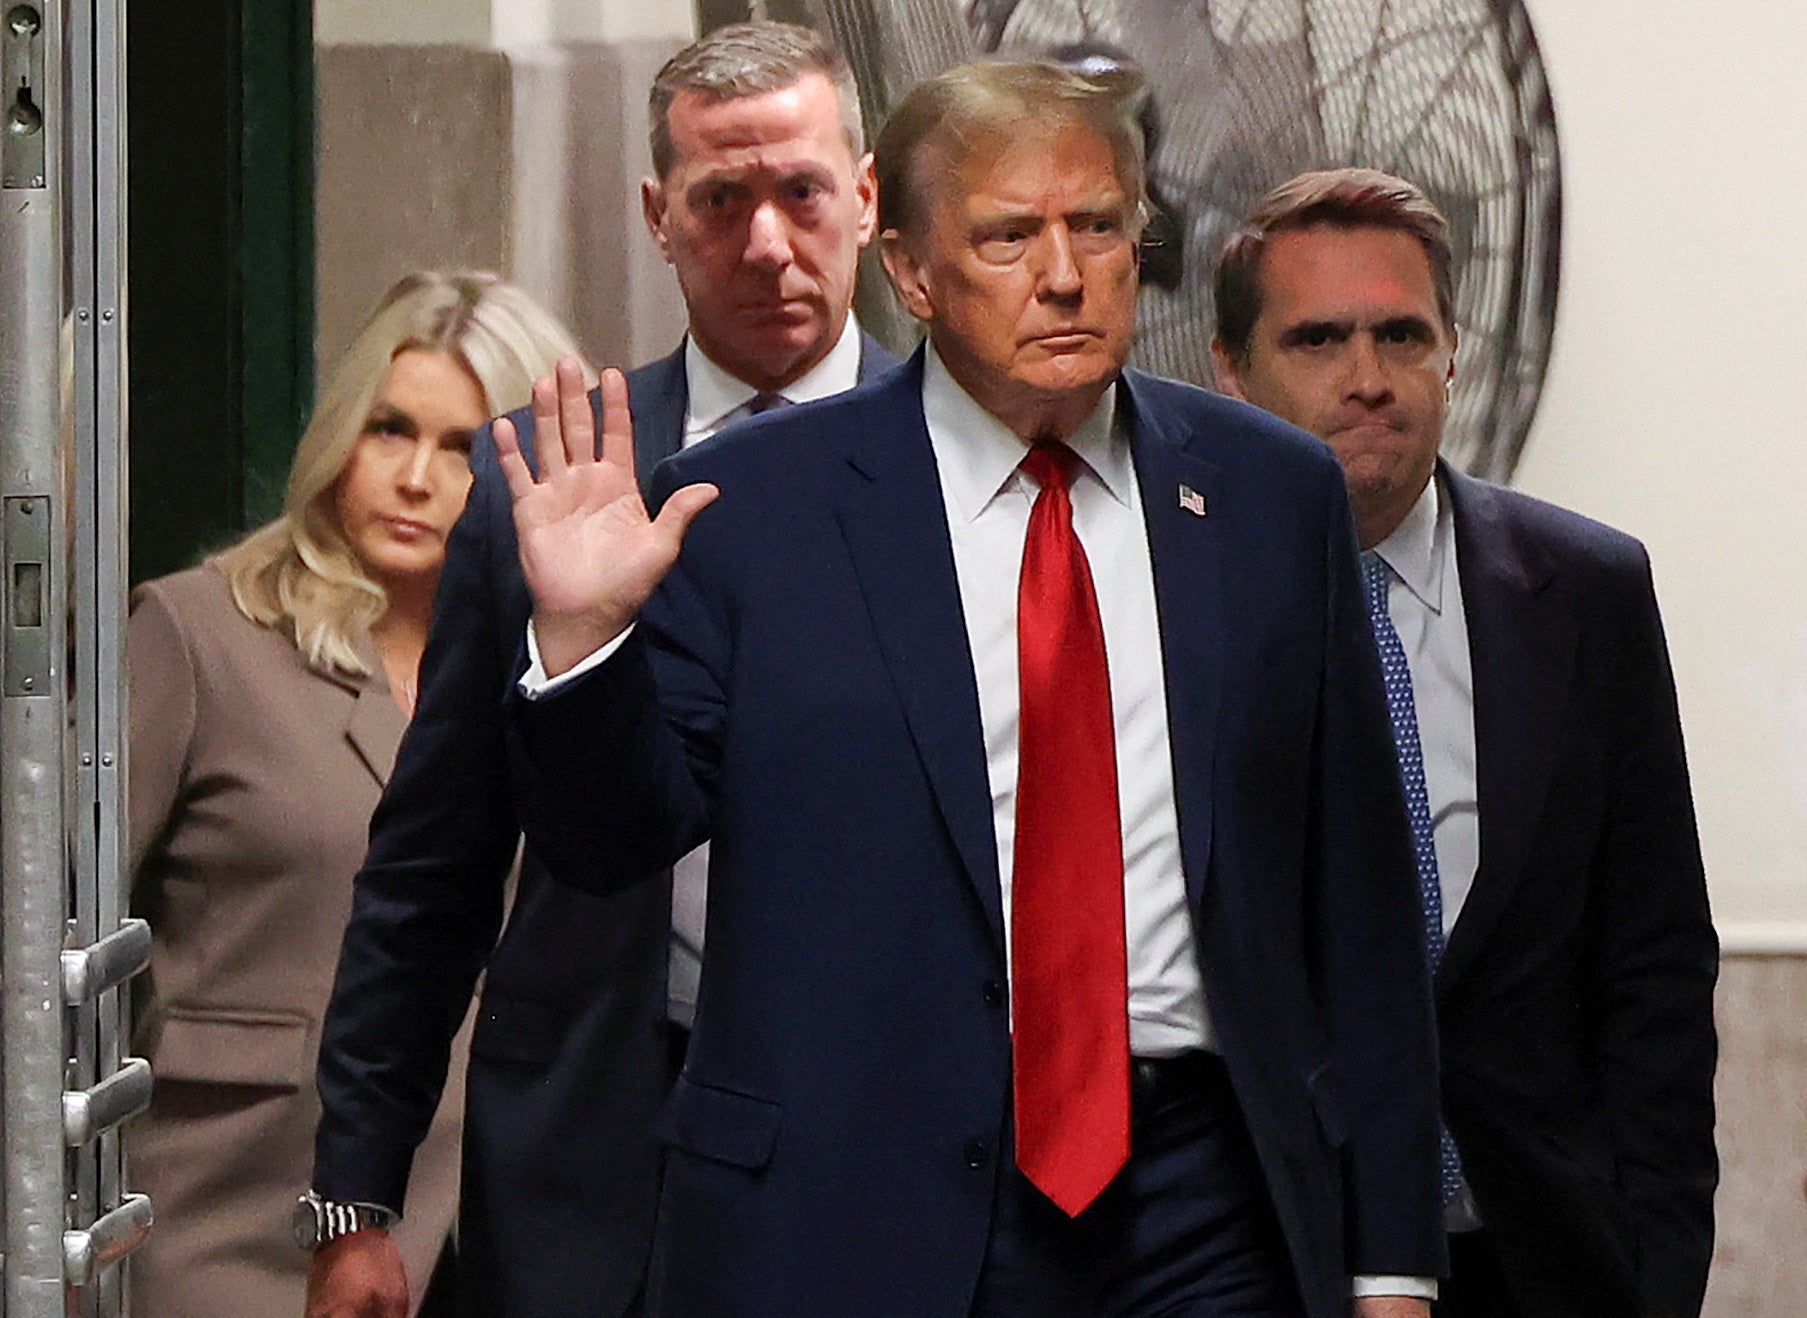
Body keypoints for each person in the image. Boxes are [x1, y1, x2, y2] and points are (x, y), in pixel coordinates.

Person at [497, 59, 1444, 1318]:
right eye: (1008, 235)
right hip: (859, 1197)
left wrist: (1391, 1265)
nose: (1064, 273)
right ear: (910, 271)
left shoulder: (1268, 493)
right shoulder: (761, 505)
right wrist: (579, 640)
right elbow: (610, 840)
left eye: (1098, 227)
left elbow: (1361, 896)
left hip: (1204, 1198)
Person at [307, 22, 895, 1318]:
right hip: (598, 1155)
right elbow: (429, 865)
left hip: (885, 1148)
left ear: (863, 193)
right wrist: (354, 1199)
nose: (763, 240)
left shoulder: (965, 476)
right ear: (656, 216)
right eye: (718, 199)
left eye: (799, 191)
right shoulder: (542, 475)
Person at [1210, 167, 1719, 1318]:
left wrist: (1659, 1262)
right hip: (1280, 1262)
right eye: (1318, 339)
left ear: (1453, 354)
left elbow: (1654, 961)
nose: (1367, 378)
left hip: (1546, 1257)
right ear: (1230, 371)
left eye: (1402, 332)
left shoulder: (1586, 589)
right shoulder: (1173, 613)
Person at [126, 272, 585, 1317]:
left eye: (463, 446)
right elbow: (46, 924)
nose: (416, 477)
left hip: (487, 1235)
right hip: (228, 1219)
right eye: (389, 429)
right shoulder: (200, 634)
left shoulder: (558, 667)